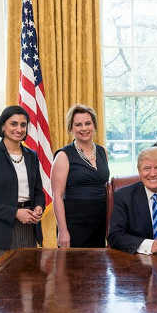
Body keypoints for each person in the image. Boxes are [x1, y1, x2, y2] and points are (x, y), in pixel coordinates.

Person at [0, 105, 45, 262]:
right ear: (3, 126)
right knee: (5, 282)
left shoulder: (32, 156)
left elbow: (38, 191)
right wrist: (15, 213)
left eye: (23, 125)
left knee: (29, 278)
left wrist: (39, 207)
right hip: (2, 228)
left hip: (29, 226)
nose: (19, 129)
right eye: (14, 124)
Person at [51, 104, 109, 248]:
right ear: (71, 128)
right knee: (73, 268)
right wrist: (63, 231)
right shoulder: (63, 155)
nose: (84, 128)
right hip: (74, 225)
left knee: (98, 267)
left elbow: (107, 187)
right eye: (78, 124)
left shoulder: (102, 152)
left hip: (100, 223)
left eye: (88, 123)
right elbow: (57, 196)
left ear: (94, 125)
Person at [108, 147, 157, 254]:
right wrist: (151, 245)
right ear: (139, 171)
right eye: (147, 168)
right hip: (139, 261)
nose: (153, 173)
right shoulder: (124, 196)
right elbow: (115, 236)